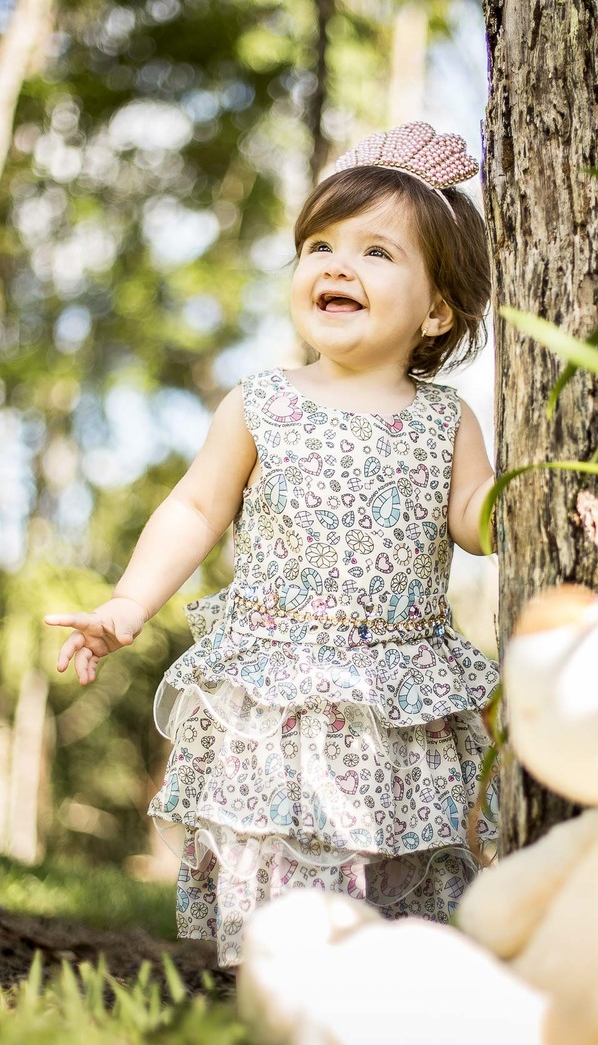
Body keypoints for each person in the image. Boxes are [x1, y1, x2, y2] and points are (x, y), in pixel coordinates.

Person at [43, 121, 501, 969]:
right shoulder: (263, 402)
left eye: (376, 253)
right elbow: (194, 507)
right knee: (281, 855)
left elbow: (473, 522)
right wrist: (128, 604)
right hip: (279, 676)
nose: (336, 265)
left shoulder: (446, 418)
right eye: (320, 244)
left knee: (397, 860)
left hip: (399, 680)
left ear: (437, 307)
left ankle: (392, 999)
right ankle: (282, 991)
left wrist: (513, 498)